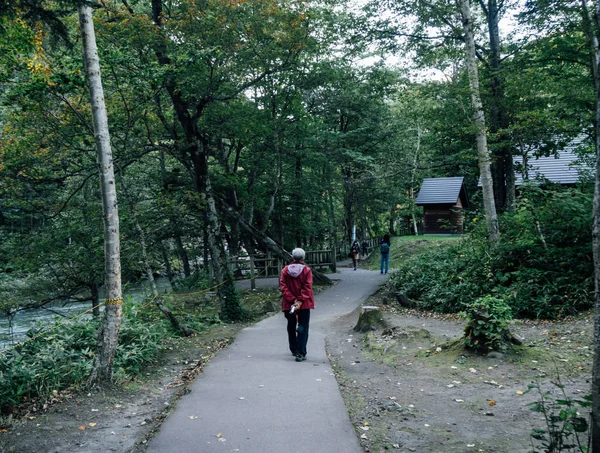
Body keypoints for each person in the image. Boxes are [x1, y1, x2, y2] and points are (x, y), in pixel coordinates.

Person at [280, 248, 315, 362]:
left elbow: (283, 287)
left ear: (292, 257)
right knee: (303, 326)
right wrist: (299, 301)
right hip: (304, 304)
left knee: (291, 324)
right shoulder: (307, 271)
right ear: (303, 258)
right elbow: (307, 287)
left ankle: (293, 348)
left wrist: (292, 300)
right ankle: (301, 353)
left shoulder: (285, 271)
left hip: (288, 304)